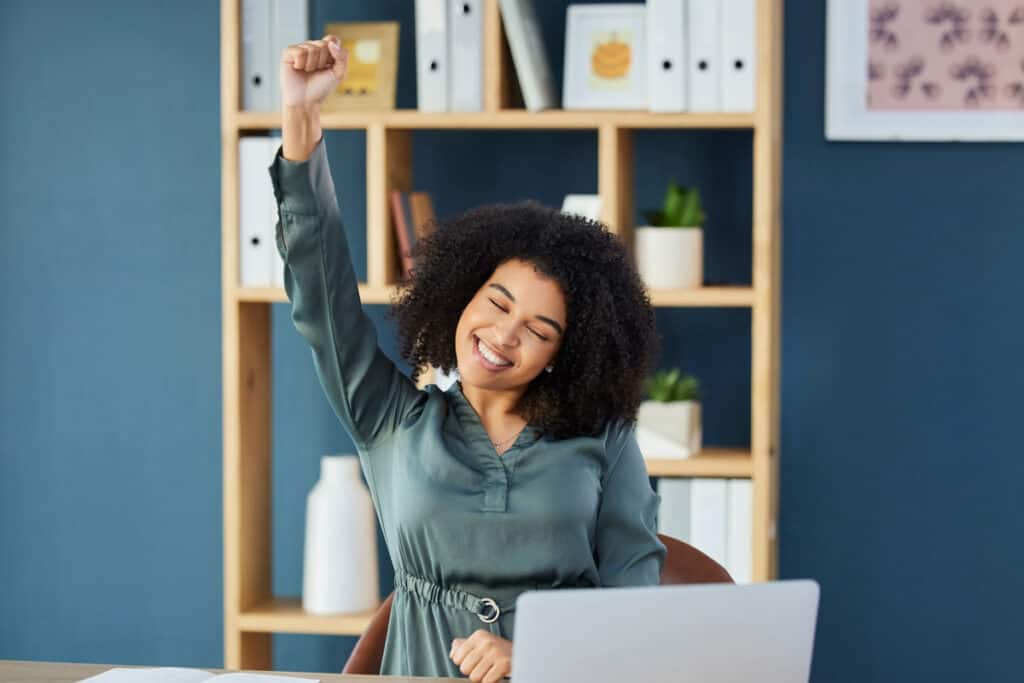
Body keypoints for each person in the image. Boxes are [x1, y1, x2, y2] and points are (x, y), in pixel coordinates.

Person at [271, 35, 667, 683]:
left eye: (539, 328)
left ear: (564, 352)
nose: (504, 334)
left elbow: (634, 601)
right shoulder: (388, 417)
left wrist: (543, 654)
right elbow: (320, 292)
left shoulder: (605, 433)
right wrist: (302, 117)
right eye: (496, 302)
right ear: (460, 296)